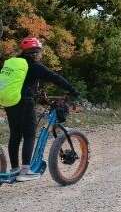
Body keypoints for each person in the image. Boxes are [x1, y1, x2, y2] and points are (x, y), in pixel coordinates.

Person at [0, 37, 79, 181]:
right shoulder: (34, 66)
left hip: (10, 101)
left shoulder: (15, 63)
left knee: (15, 135)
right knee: (29, 134)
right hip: (25, 103)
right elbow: (55, 78)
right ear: (36, 52)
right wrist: (73, 90)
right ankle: (25, 171)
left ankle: (15, 169)